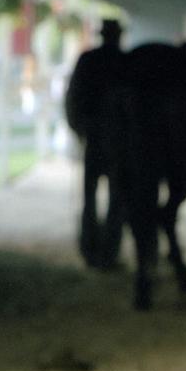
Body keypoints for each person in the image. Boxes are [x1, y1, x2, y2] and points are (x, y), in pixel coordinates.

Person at [65, 18, 127, 269]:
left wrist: (80, 129)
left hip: (94, 138)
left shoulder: (88, 60)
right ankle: (109, 252)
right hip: (118, 142)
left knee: (89, 197)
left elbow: (73, 98)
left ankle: (90, 248)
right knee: (116, 198)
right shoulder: (125, 62)